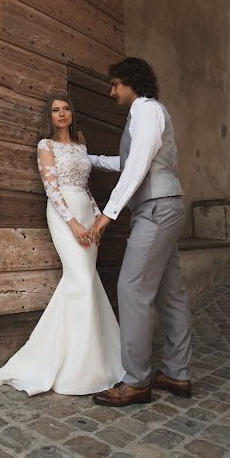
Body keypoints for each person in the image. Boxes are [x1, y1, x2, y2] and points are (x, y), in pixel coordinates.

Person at [0, 96, 124, 396]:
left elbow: (85, 186)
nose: (62, 113)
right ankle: (75, 366)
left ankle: (98, 358)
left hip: (86, 212)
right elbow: (51, 189)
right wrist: (74, 223)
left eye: (66, 108)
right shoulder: (45, 146)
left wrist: (95, 221)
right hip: (63, 215)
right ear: (49, 116)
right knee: (80, 279)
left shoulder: (80, 144)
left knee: (87, 281)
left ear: (71, 113)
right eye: (56, 110)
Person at [86, 57, 190, 407]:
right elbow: (128, 163)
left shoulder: (145, 110)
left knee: (130, 287)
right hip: (165, 206)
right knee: (170, 293)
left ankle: (135, 381)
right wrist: (88, 159)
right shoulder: (145, 114)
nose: (111, 91)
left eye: (116, 84)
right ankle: (177, 372)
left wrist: (107, 214)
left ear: (132, 83)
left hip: (156, 209)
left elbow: (141, 161)